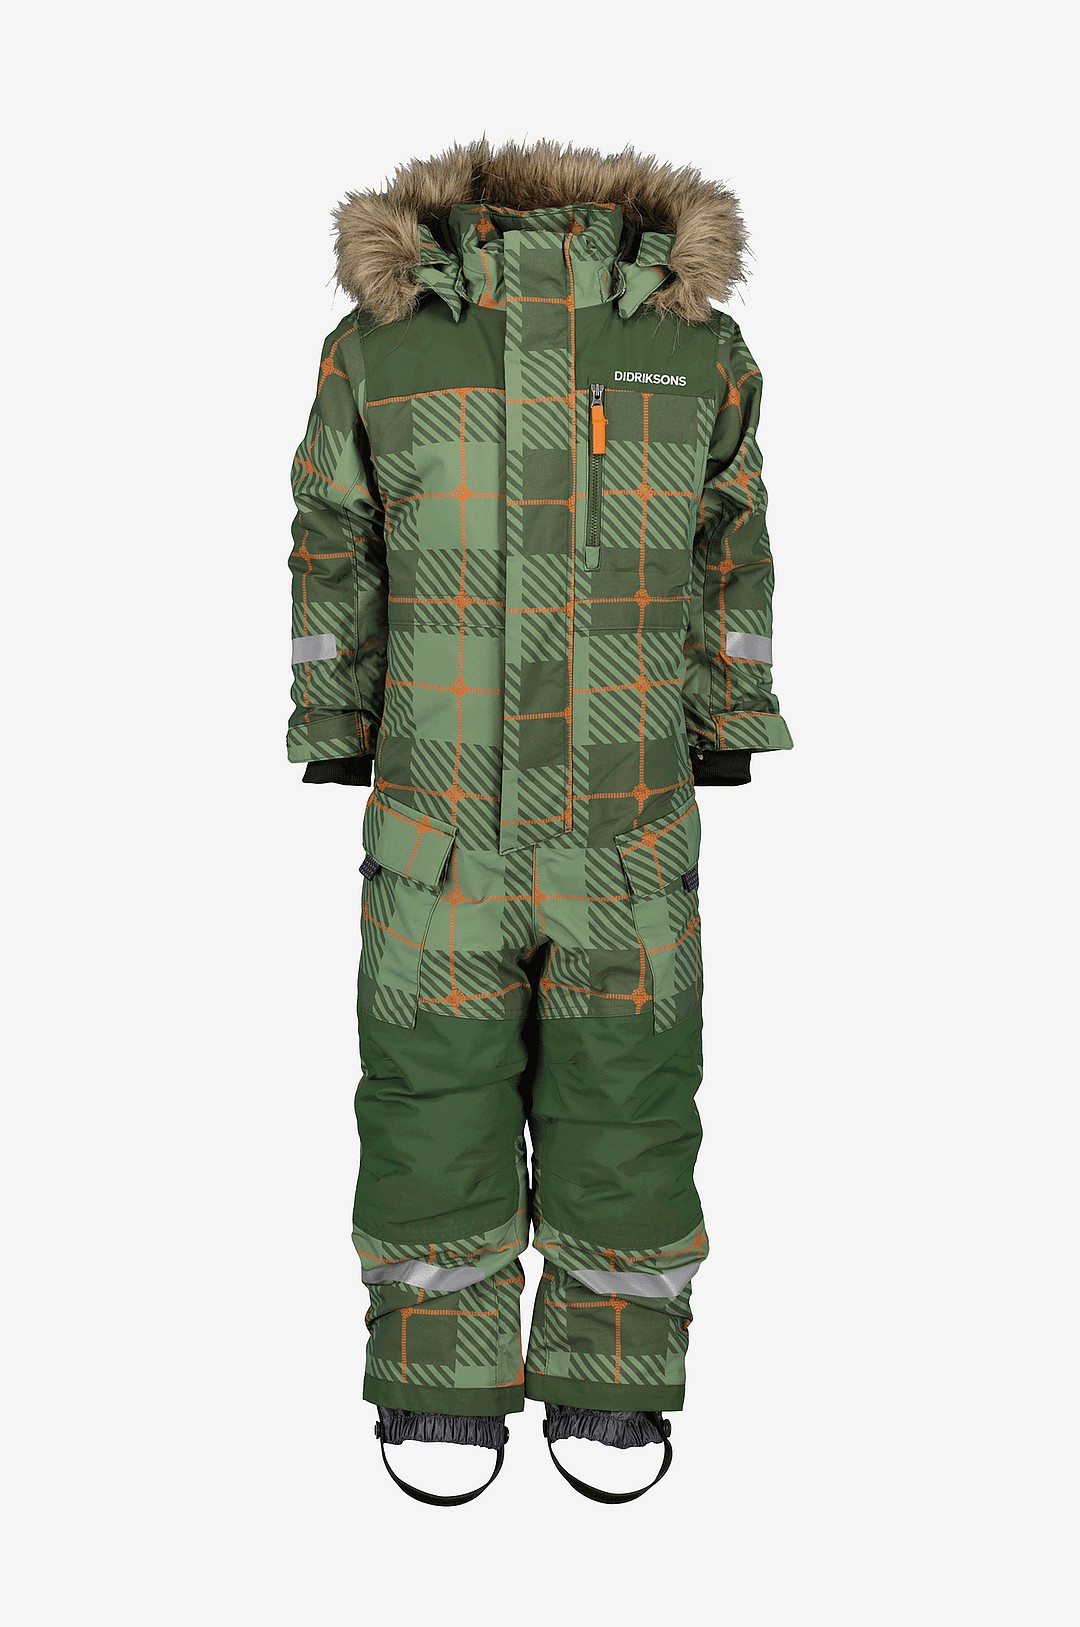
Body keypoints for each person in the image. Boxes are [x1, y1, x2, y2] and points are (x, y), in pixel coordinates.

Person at [287, 138, 792, 1503]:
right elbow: (333, 537)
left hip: (629, 820)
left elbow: (731, 537)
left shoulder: (695, 351)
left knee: (630, 1097)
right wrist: (335, 719)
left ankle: (614, 1368)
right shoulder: (379, 349)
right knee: (429, 1094)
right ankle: (437, 1373)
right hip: (438, 816)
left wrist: (728, 712)